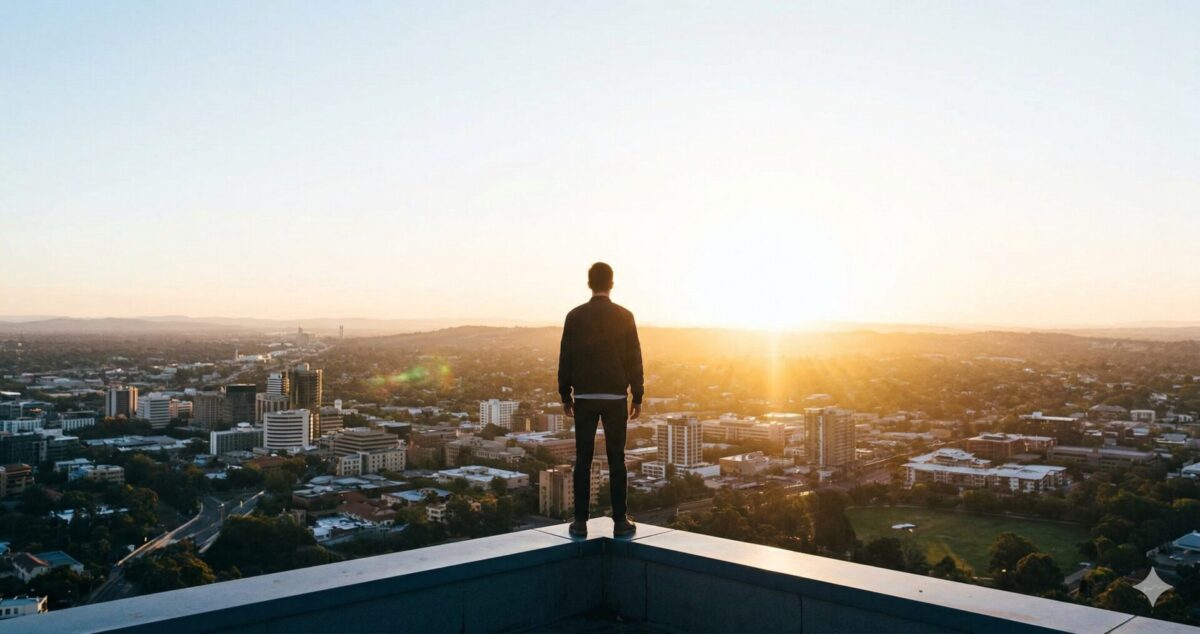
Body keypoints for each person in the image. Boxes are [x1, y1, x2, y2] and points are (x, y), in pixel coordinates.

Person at [558, 262, 643, 537]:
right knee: (616, 458)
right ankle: (620, 521)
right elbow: (634, 358)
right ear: (612, 284)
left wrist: (565, 394)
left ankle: (580, 522)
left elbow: (565, 357)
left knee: (583, 458)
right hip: (615, 396)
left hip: (583, 396)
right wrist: (637, 395)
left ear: (589, 283)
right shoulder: (625, 316)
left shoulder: (574, 316)